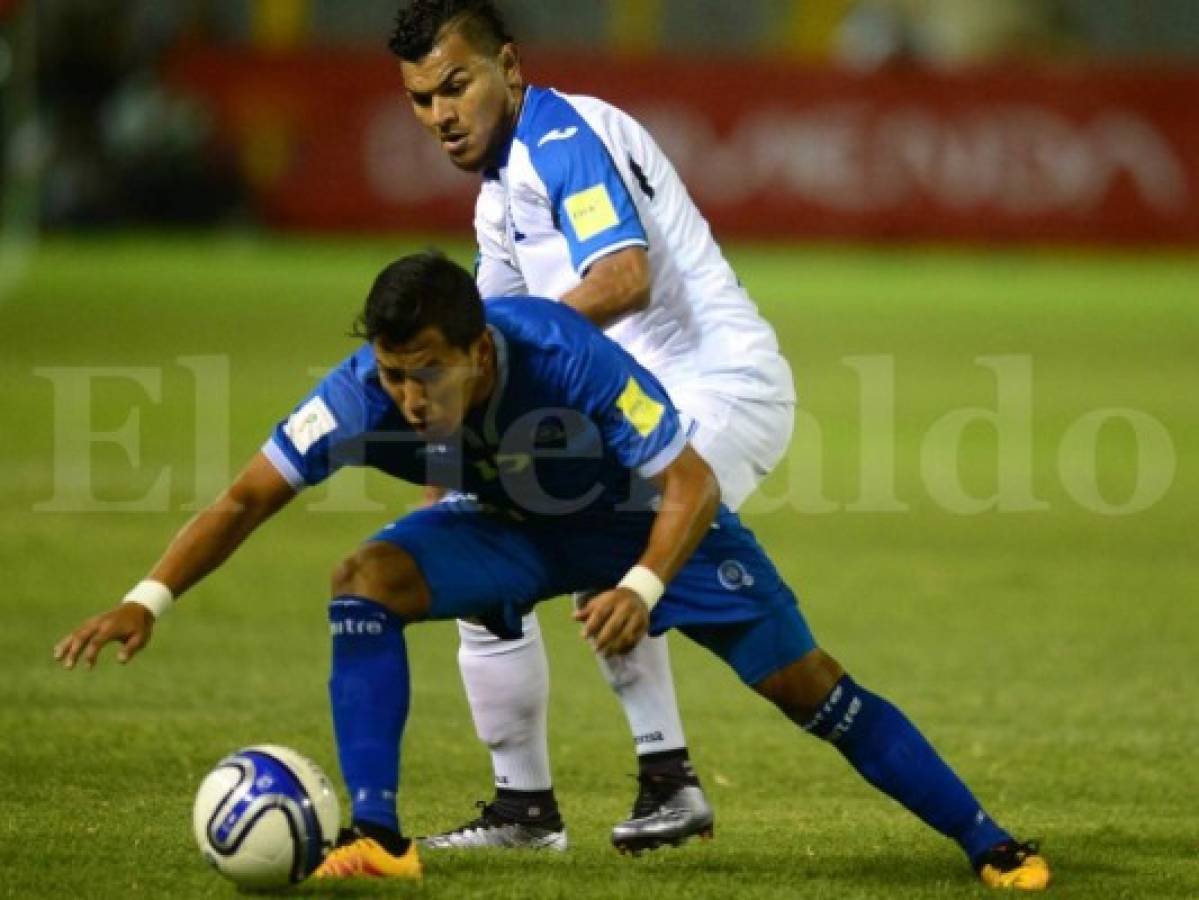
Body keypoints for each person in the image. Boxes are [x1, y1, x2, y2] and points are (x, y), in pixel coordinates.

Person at [55, 253, 1050, 890]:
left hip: (632, 524)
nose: (407, 395)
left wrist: (643, 587)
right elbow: (243, 500)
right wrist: (147, 599)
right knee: (364, 577)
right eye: (394, 372)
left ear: (480, 351)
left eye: (428, 370)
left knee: (806, 688)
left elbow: (691, 484)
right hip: (507, 530)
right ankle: (379, 836)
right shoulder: (358, 393)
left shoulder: (563, 353)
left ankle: (986, 842)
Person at [390, 0, 798, 852]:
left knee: (586, 527)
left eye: (455, 87)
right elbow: (477, 356)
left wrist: (521, 354)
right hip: (646, 400)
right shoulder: (496, 201)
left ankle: (666, 780)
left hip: (717, 386)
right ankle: (526, 810)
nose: (441, 116)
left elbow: (621, 276)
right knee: (487, 546)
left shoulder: (558, 138)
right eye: (422, 101)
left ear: (508, 66)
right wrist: (447, 474)